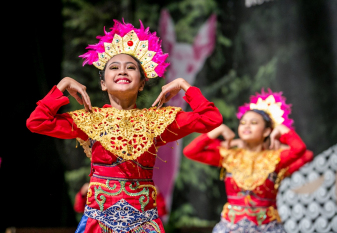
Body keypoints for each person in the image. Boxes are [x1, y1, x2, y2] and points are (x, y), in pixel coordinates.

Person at [26, 19, 222, 233]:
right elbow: (37, 122)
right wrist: (62, 85)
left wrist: (184, 85)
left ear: (142, 84)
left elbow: (211, 119)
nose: (122, 71)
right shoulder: (90, 119)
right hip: (99, 225)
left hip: (143, 225)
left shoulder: (158, 121)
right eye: (114, 67)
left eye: (131, 67)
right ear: (103, 82)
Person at [183, 89, 313, 233]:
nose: (246, 126)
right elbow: (190, 151)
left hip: (267, 228)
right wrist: (218, 130)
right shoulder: (229, 155)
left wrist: (281, 130)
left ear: (266, 131)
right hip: (230, 227)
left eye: (254, 122)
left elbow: (301, 150)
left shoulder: (275, 158)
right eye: (243, 122)